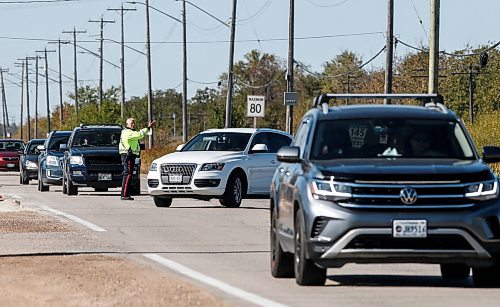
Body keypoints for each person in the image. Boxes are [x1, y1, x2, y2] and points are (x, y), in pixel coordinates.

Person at [119, 118, 156, 200]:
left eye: (134, 123)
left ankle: (125, 194)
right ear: (127, 124)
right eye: (132, 123)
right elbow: (139, 134)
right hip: (128, 156)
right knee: (127, 175)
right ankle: (124, 194)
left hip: (130, 156)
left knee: (128, 175)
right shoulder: (128, 132)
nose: (133, 124)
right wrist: (148, 128)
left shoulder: (127, 132)